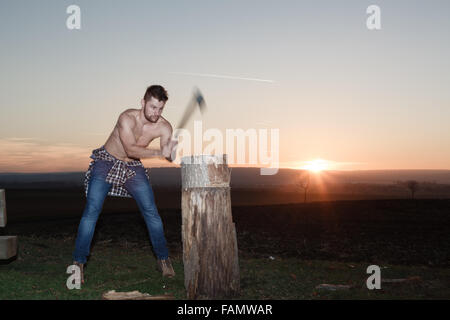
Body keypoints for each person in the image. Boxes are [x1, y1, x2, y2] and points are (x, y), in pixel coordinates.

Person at [72, 85, 178, 283]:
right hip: (106, 162)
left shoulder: (164, 127)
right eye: (153, 107)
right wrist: (158, 153)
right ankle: (78, 264)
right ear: (143, 103)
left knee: (151, 212)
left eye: (160, 109)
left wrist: (171, 151)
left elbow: (168, 155)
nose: (156, 113)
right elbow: (130, 149)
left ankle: (163, 259)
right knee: (92, 211)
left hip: (132, 168)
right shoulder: (126, 118)